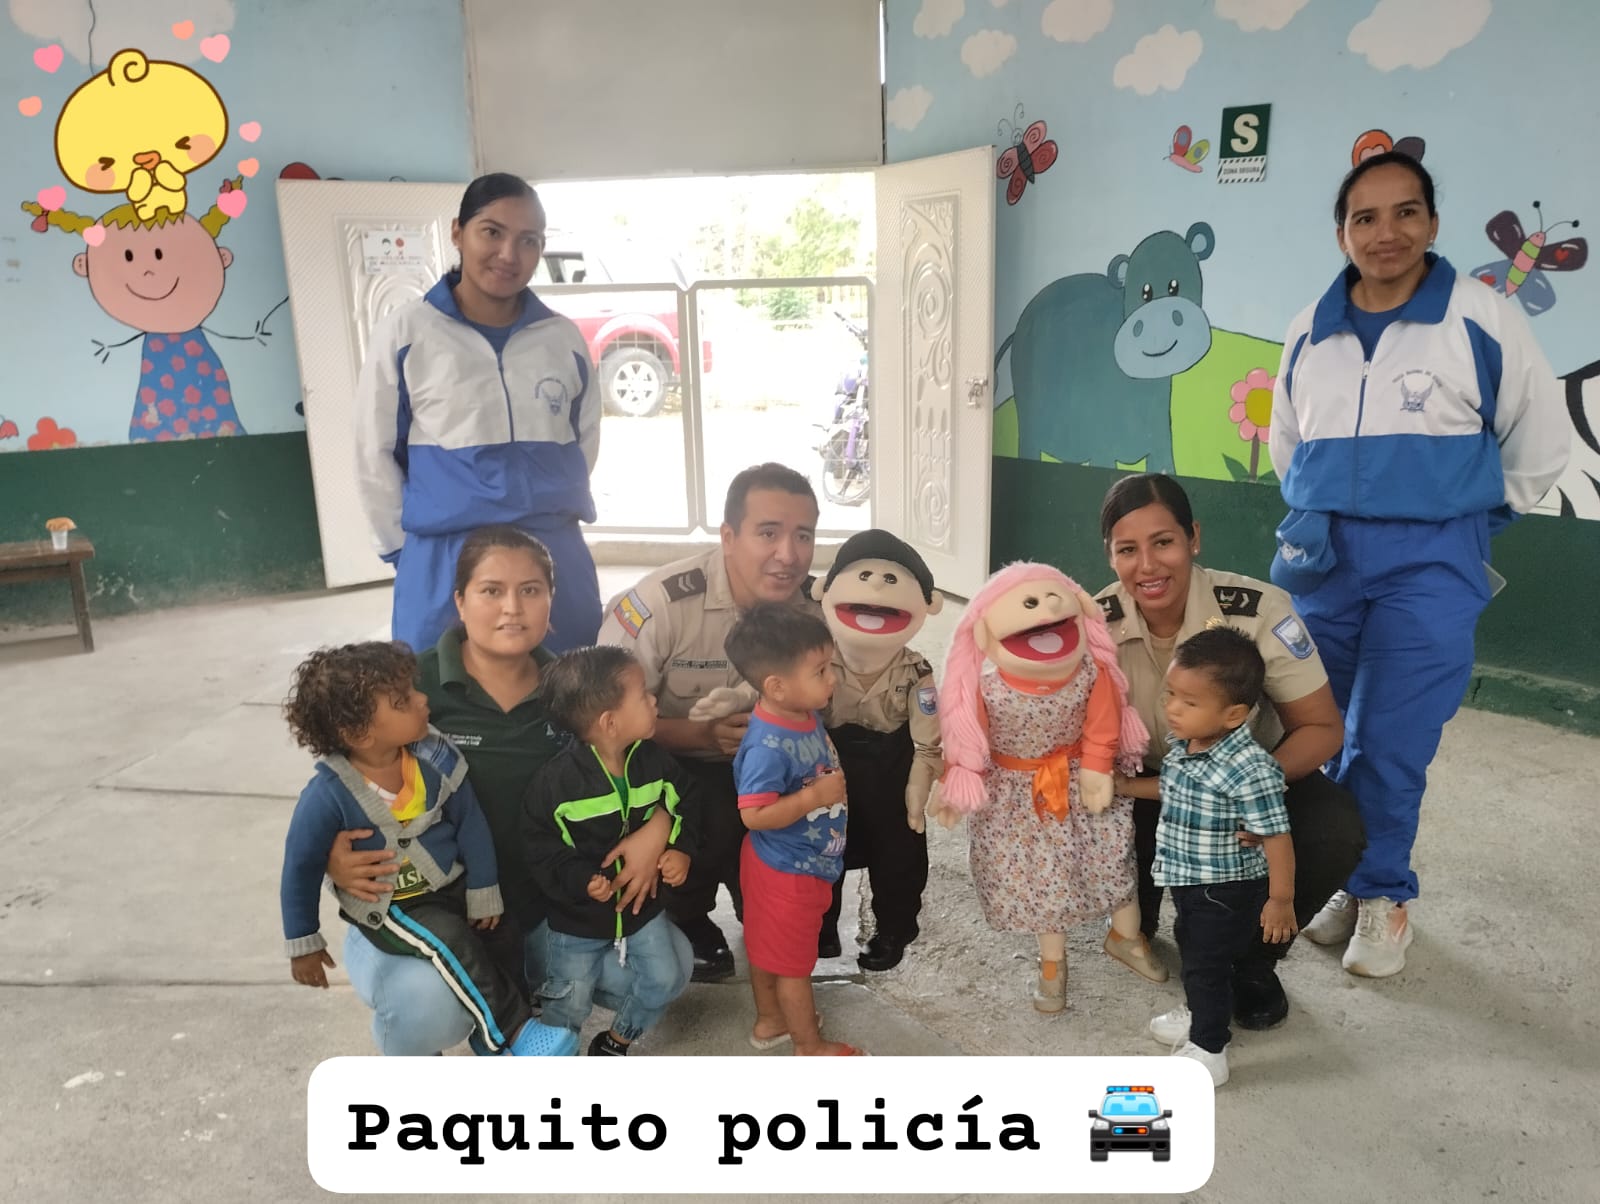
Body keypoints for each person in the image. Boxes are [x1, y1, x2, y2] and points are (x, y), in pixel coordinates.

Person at [1268, 151, 1568, 976]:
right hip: (1324, 557)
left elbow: (1540, 440)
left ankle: (1384, 893)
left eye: (1405, 212)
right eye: (1364, 218)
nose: (1386, 233)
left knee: (1391, 741)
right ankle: (1339, 873)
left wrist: (1465, 523)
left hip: (1433, 559)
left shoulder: (1480, 316)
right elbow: (1288, 446)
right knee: (1316, 729)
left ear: (1432, 223)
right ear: (1342, 234)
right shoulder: (1310, 328)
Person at [324, 528, 670, 1055]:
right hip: (429, 908)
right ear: (460, 601)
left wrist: (659, 827)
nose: (513, 607)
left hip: (543, 905)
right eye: (491, 590)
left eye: (531, 590)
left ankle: (517, 1005)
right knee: (427, 1004)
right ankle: (417, 1062)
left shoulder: (575, 688)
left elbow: (646, 766)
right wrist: (333, 856)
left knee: (663, 967)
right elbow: (336, 782)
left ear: (551, 600)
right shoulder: (409, 689)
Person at [1097, 473, 1364, 1027]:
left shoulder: (1258, 611)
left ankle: (1253, 960)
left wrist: (1244, 792)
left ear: (1193, 538)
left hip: (1250, 775)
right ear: (1111, 556)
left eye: (1163, 542)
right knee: (1133, 916)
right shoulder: (1093, 623)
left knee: (1333, 828)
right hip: (1146, 784)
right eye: (1127, 550)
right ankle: (1143, 913)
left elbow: (1321, 727)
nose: (1147, 566)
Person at [278, 641, 577, 1057]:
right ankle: (514, 1033)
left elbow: (470, 822)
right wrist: (304, 942)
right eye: (403, 701)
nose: (422, 700)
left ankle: (491, 1038)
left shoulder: (434, 760)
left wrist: (483, 891)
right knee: (452, 941)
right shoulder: (328, 794)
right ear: (359, 734)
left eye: (414, 690)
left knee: (503, 932)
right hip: (395, 905)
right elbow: (300, 868)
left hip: (449, 887)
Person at [353, 172, 603, 656]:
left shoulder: (562, 338)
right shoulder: (407, 333)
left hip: (553, 553)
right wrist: (406, 553)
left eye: (528, 240)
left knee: (570, 687)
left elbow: (583, 440)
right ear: (457, 232)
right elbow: (374, 451)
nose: (509, 254)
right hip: (445, 557)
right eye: (492, 232)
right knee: (440, 691)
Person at [597, 462, 822, 982]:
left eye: (803, 535)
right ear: (728, 536)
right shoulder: (662, 604)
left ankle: (781, 902)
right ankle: (687, 915)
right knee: (710, 811)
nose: (788, 555)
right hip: (671, 762)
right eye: (768, 533)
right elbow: (598, 723)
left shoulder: (815, 608)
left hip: (775, 765)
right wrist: (698, 735)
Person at [936, 563, 1161, 1015]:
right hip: (1016, 803)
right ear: (983, 634)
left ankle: (1125, 936)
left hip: (1082, 786)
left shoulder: (1093, 672)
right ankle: (1053, 966)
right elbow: (969, 741)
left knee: (1114, 861)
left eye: (1053, 601)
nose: (1043, 612)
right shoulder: (985, 688)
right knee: (1043, 885)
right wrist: (956, 784)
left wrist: (1097, 766)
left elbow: (1103, 724)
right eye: (1029, 604)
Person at [524, 646, 698, 1056]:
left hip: (642, 910)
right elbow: (542, 848)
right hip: (575, 921)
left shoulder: (655, 764)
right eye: (643, 695)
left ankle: (616, 1041)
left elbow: (688, 801)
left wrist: (681, 849)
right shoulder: (556, 785)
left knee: (664, 978)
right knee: (568, 1000)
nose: (654, 700)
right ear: (610, 722)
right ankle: (556, 1052)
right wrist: (582, 880)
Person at [1142, 628, 1296, 1087]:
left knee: (1205, 964)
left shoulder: (1249, 769)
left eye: (1189, 702)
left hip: (1225, 888)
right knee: (1192, 948)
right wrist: (1124, 786)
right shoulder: (1186, 746)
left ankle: (1209, 1050)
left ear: (1234, 714)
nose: (1172, 708)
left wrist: (1280, 900)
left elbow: (1277, 836)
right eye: (1171, 694)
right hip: (1190, 880)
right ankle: (1199, 1011)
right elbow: (1173, 790)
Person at [727, 604, 863, 1056]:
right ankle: (809, 1046)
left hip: (799, 860)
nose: (832, 679)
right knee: (793, 967)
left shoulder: (800, 712)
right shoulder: (767, 747)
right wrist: (813, 798)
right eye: (820, 671)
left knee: (770, 949)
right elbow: (753, 814)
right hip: (785, 869)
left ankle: (771, 1021)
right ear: (776, 687)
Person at [814, 530, 945, 972]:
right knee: (820, 846)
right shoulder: (815, 659)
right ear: (825, 591)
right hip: (828, 766)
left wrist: (918, 788)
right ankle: (821, 924)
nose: (874, 587)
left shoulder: (916, 672)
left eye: (890, 580)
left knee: (900, 853)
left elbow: (928, 740)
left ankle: (892, 929)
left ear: (927, 603)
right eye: (863, 575)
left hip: (892, 770)